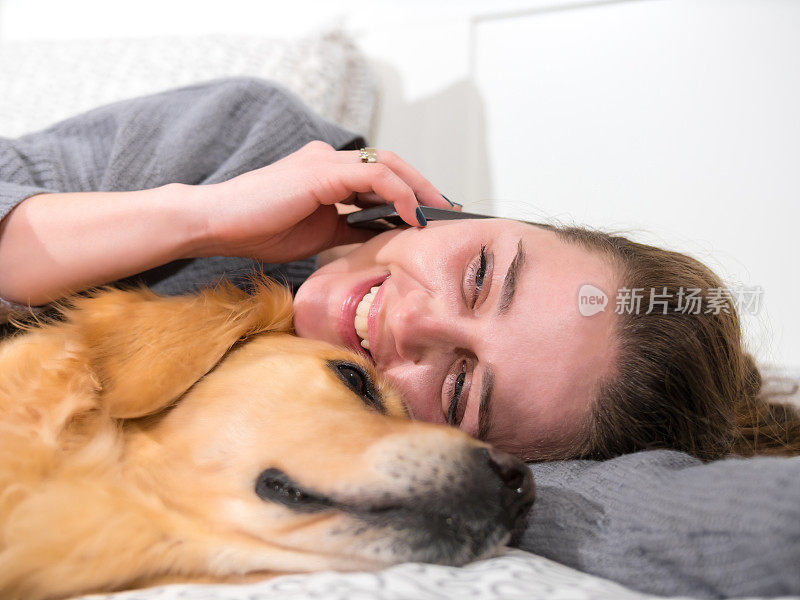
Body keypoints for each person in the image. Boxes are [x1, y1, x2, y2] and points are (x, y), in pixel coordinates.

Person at [1, 77, 798, 462]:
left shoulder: (332, 458)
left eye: (459, 387)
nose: (414, 321)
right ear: (479, 213)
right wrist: (199, 215)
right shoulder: (250, 137)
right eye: (482, 274)